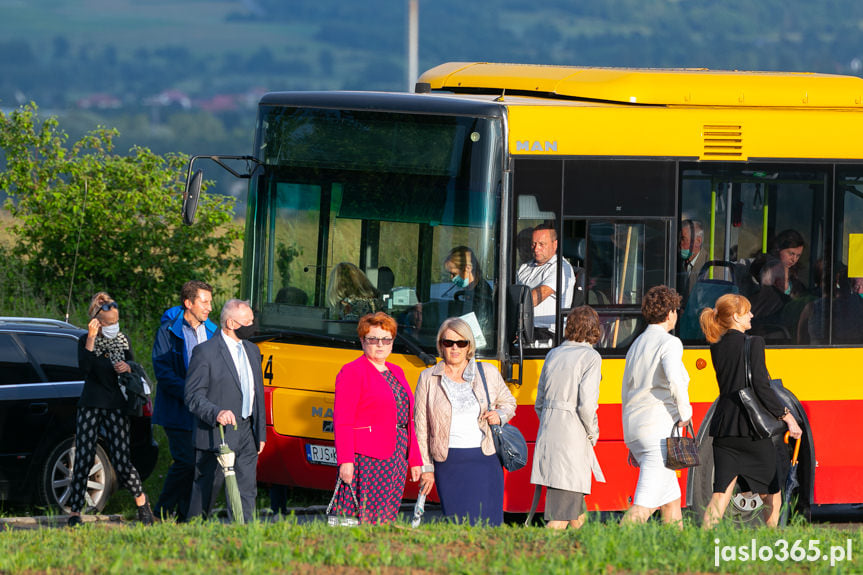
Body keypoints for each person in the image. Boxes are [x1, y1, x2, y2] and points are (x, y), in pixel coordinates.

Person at [699, 294, 803, 528]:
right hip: (751, 431)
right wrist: (788, 417)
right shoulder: (753, 343)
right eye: (747, 312)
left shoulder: (715, 344)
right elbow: (761, 387)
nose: (752, 315)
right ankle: (771, 543)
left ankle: (703, 543)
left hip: (724, 429)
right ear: (736, 317)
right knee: (772, 493)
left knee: (720, 494)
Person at [414, 317, 516, 526]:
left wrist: (500, 415)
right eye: (448, 342)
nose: (454, 348)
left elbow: (509, 402)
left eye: (461, 343)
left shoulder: (487, 372)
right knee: (457, 525)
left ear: (469, 345)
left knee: (489, 526)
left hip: (485, 460)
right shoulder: (428, 377)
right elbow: (421, 427)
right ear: (440, 345)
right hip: (448, 462)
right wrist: (426, 467)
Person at [67, 292, 154, 527]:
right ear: (97, 321)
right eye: (109, 323)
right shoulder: (86, 340)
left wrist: (127, 367)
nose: (114, 326)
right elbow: (84, 369)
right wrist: (92, 338)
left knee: (122, 459)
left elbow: (135, 367)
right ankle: (75, 512)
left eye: (116, 322)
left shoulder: (122, 341)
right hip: (91, 404)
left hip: (116, 405)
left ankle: (143, 505)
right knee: (84, 456)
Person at [331, 312, 423, 524]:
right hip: (368, 456)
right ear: (363, 341)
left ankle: (380, 551)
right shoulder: (352, 371)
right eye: (373, 339)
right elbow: (343, 421)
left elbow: (408, 419)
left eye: (386, 339)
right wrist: (346, 461)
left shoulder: (396, 371)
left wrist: (415, 459)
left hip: (397, 453)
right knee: (365, 515)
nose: (380, 345)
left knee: (387, 513)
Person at [185, 299, 265, 522]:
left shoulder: (252, 350)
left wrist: (260, 432)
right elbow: (192, 396)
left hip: (247, 431)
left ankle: (244, 534)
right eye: (247, 321)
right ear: (231, 322)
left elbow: (257, 392)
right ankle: (192, 535)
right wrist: (216, 412)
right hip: (216, 433)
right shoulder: (206, 352)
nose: (252, 325)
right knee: (207, 490)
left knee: (247, 489)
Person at [620, 285, 692, 526]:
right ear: (670, 312)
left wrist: (630, 439)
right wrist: (686, 413)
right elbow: (674, 379)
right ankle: (607, 556)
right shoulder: (670, 343)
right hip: (659, 433)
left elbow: (626, 391)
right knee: (642, 508)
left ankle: (680, 557)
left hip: (636, 430)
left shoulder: (636, 344)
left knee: (671, 501)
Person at [531, 306, 605, 529]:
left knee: (574, 507)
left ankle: (586, 556)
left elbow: (539, 403)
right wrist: (593, 432)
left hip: (549, 435)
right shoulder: (591, 357)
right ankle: (544, 559)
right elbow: (586, 406)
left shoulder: (553, 354)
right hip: (572, 439)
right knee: (561, 514)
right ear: (595, 329)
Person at [151, 280, 218, 522]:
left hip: (204, 412)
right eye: (205, 302)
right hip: (177, 410)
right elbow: (163, 371)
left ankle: (185, 516)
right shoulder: (168, 331)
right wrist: (191, 394)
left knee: (200, 465)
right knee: (186, 461)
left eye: (211, 302)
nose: (210, 307)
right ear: (188, 303)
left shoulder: (213, 332)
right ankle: (160, 512)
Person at [516, 223, 575, 342]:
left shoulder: (561, 268)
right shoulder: (525, 267)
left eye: (542, 244)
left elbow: (536, 297)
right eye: (534, 244)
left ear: (555, 245)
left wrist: (509, 304)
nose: (536, 248)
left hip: (545, 333)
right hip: (521, 328)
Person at [443, 246, 495, 331]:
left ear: (468, 268)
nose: (452, 278)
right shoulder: (464, 292)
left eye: (454, 273)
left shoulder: (483, 294)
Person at [678, 219, 707, 300]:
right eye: (679, 239)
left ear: (698, 241)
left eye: (683, 239)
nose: (680, 244)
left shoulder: (712, 267)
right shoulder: (677, 263)